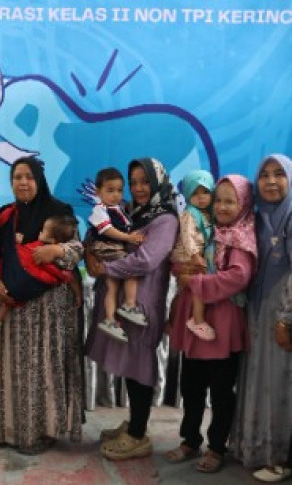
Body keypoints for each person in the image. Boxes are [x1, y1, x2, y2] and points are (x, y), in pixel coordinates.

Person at [85, 157, 179, 461]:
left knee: (138, 366)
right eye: (134, 182)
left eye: (145, 181)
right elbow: (96, 232)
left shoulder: (165, 219)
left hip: (143, 303)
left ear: (158, 182)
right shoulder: (130, 212)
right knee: (128, 364)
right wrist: (90, 255)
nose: (138, 188)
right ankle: (133, 425)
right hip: (123, 301)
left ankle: (138, 434)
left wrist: (106, 268)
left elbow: (147, 260)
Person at [0, 157, 84, 454]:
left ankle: (43, 431)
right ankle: (11, 429)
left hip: (49, 309)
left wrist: (56, 249)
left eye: (29, 177)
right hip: (14, 306)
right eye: (17, 177)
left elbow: (77, 250)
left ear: (39, 180)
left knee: (43, 369)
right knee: (15, 368)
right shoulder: (5, 216)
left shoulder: (59, 211)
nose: (23, 182)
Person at [165, 175, 256, 473]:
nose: (222, 207)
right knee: (191, 387)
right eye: (219, 200)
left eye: (231, 201)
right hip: (197, 323)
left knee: (220, 392)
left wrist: (197, 281)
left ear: (244, 204)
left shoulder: (241, 237)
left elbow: (238, 277)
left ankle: (217, 447)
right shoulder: (205, 227)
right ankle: (190, 440)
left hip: (223, 325)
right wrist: (184, 270)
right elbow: (181, 260)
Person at [230, 154, 292, 482]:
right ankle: (254, 447)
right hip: (257, 308)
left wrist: (285, 319)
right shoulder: (257, 218)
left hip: (282, 310)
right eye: (264, 175)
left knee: (280, 382)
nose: (270, 181)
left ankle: (281, 457)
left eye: (279, 174)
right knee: (259, 377)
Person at [0, 213, 81, 336]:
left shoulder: (41, 248)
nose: (40, 232)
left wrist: (16, 242)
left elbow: (21, 254)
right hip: (37, 286)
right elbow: (70, 277)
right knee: (11, 298)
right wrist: (78, 294)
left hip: (20, 279)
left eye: (43, 231)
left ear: (51, 240)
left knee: (8, 296)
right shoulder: (60, 259)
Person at [87, 167, 146, 343]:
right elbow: (107, 230)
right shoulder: (99, 210)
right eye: (110, 190)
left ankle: (110, 320)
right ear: (98, 192)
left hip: (114, 248)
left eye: (119, 190)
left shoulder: (119, 209)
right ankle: (129, 305)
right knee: (131, 269)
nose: (116, 195)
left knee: (112, 287)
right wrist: (129, 238)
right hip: (106, 247)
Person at [170, 170, 217, 341]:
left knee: (192, 287)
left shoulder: (207, 213)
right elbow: (187, 236)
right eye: (195, 193)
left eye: (205, 192)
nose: (201, 197)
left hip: (194, 257)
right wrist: (195, 256)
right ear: (188, 195)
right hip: (186, 257)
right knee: (199, 283)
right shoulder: (189, 214)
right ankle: (197, 320)